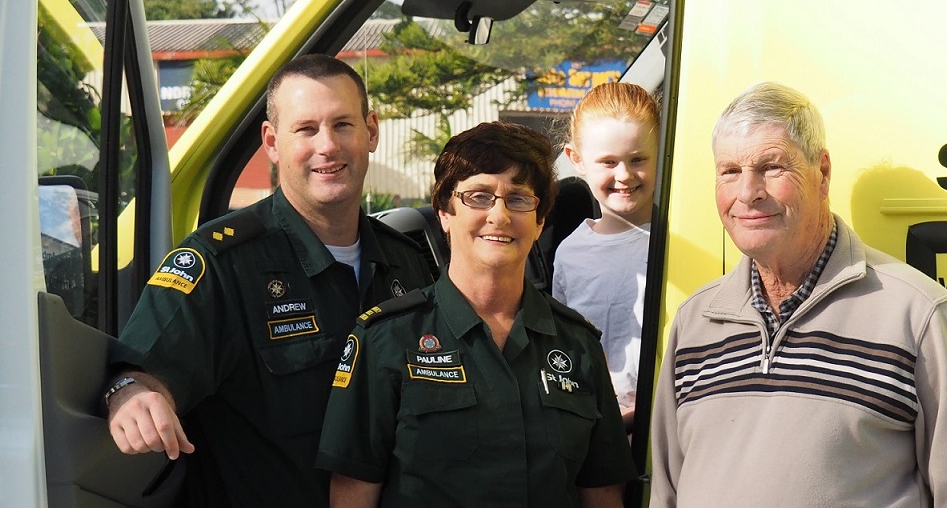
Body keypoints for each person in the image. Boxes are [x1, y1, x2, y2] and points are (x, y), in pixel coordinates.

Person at [649, 83, 947, 507]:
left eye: (771, 167)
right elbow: (666, 491)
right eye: (730, 171)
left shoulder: (919, 315)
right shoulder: (695, 321)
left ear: (822, 173)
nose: (747, 192)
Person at [103, 54, 434, 507]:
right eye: (306, 129)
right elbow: (142, 374)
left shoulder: (408, 264)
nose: (328, 146)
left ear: (371, 131)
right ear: (272, 142)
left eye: (343, 125)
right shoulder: (220, 263)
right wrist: (131, 394)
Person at [317, 121, 637, 508]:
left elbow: (602, 496)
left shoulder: (578, 346)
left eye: (519, 199)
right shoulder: (385, 339)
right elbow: (352, 494)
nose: (499, 216)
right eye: (479, 196)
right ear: (445, 214)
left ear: (540, 222)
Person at [552, 82, 659, 430]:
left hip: (663, 426)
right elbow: (564, 349)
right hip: (592, 430)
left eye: (638, 159)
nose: (624, 175)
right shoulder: (569, 253)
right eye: (609, 162)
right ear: (576, 160)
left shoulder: (675, 241)